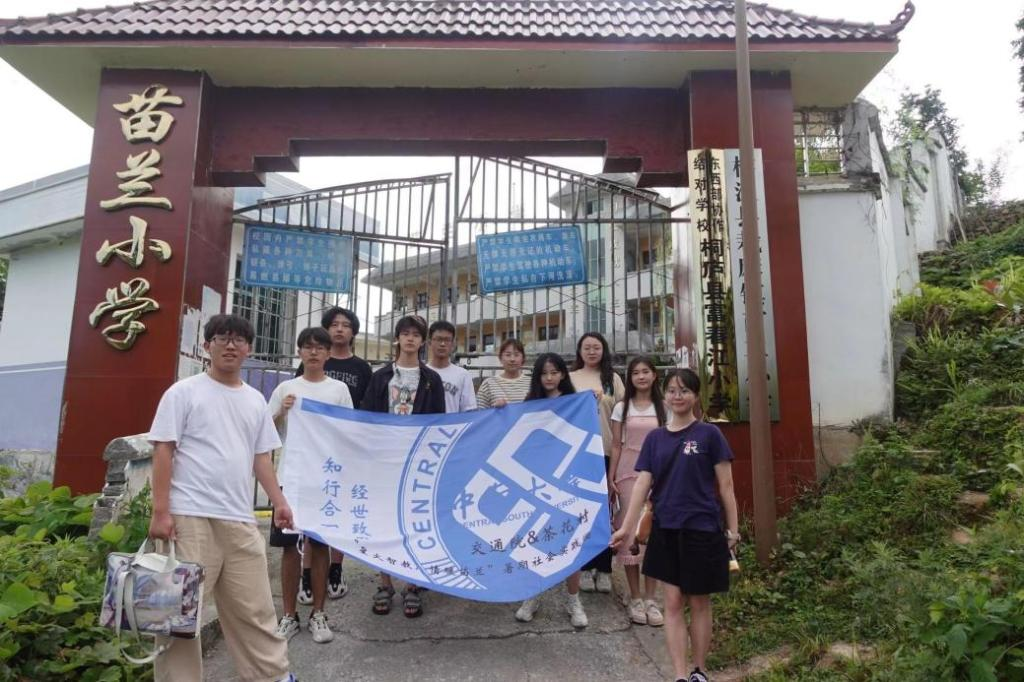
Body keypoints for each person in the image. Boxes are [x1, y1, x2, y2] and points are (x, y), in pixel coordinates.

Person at [147, 314, 295, 682]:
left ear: (249, 349)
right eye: (222, 338)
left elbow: (262, 458)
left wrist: (279, 501)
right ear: (207, 345)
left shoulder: (255, 400)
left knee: (255, 608)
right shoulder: (183, 392)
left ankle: (271, 676)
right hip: (188, 518)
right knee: (178, 614)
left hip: (239, 518)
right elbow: (163, 450)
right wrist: (160, 512)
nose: (230, 345)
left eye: (238, 339)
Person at [610, 369, 740, 682]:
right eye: (671, 390)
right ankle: (680, 675)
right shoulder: (655, 438)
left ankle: (700, 670)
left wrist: (733, 531)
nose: (677, 396)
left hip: (702, 528)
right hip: (665, 528)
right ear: (665, 395)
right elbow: (642, 484)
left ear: (696, 396)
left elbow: (726, 487)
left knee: (699, 601)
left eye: (684, 391)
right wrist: (626, 528)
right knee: (671, 602)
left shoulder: (709, 435)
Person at [268, 326, 353, 644]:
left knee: (319, 546)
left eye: (319, 347)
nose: (313, 352)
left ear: (329, 353)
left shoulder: (338, 390)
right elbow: (265, 430)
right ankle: (289, 615)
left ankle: (318, 613)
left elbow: (350, 430)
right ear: (299, 352)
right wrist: (282, 410)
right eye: (308, 347)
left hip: (325, 480)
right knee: (289, 548)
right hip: (291, 479)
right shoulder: (286, 389)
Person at [362, 314, 446, 617]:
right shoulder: (380, 377)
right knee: (383, 522)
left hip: (417, 463)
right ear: (397, 338)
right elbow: (367, 418)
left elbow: (438, 422)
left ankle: (412, 584)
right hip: (384, 461)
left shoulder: (431, 379)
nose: (410, 339)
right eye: (405, 333)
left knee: (413, 523)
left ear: (422, 341)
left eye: (416, 334)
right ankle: (385, 583)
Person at [294, 307, 373, 606]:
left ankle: (335, 570)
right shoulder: (307, 365)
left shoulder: (361, 368)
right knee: (308, 517)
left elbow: (366, 411)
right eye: (334, 324)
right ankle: (307, 574)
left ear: (353, 331)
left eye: (346, 325)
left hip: (343, 452)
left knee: (337, 512)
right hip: (310, 453)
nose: (340, 329)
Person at [513, 352, 589, 629]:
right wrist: (501, 409)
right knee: (532, 540)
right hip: (535, 482)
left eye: (554, 372)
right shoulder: (530, 403)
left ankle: (573, 600)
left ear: (563, 374)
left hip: (568, 483)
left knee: (571, 543)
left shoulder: (575, 403)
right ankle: (532, 595)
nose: (549, 378)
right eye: (544, 373)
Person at [609, 356, 666, 627]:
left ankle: (652, 598)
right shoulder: (622, 407)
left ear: (654, 375)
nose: (641, 377)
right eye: (635, 373)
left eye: (645, 372)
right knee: (630, 533)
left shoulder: (665, 407)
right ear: (629, 378)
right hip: (628, 473)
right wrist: (611, 478)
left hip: (659, 473)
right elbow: (616, 445)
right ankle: (635, 597)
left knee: (652, 534)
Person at [569, 331, 625, 593]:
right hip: (578, 454)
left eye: (596, 347)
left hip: (605, 450)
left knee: (603, 512)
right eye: (587, 347)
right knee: (581, 512)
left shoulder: (613, 379)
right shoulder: (571, 378)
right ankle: (585, 566)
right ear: (580, 351)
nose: (592, 352)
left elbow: (623, 413)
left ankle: (604, 569)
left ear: (604, 350)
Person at [426, 320, 477, 413]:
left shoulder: (463, 375)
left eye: (447, 340)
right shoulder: (421, 373)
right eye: (438, 339)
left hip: (453, 423)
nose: (442, 344)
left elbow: (469, 410)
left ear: (453, 344)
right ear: (429, 342)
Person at [476, 337, 531, 408]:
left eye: (516, 355)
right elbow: (480, 413)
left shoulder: (532, 383)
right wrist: (495, 409)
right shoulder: (488, 384)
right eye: (508, 355)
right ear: (500, 358)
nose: (512, 359)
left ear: (523, 358)